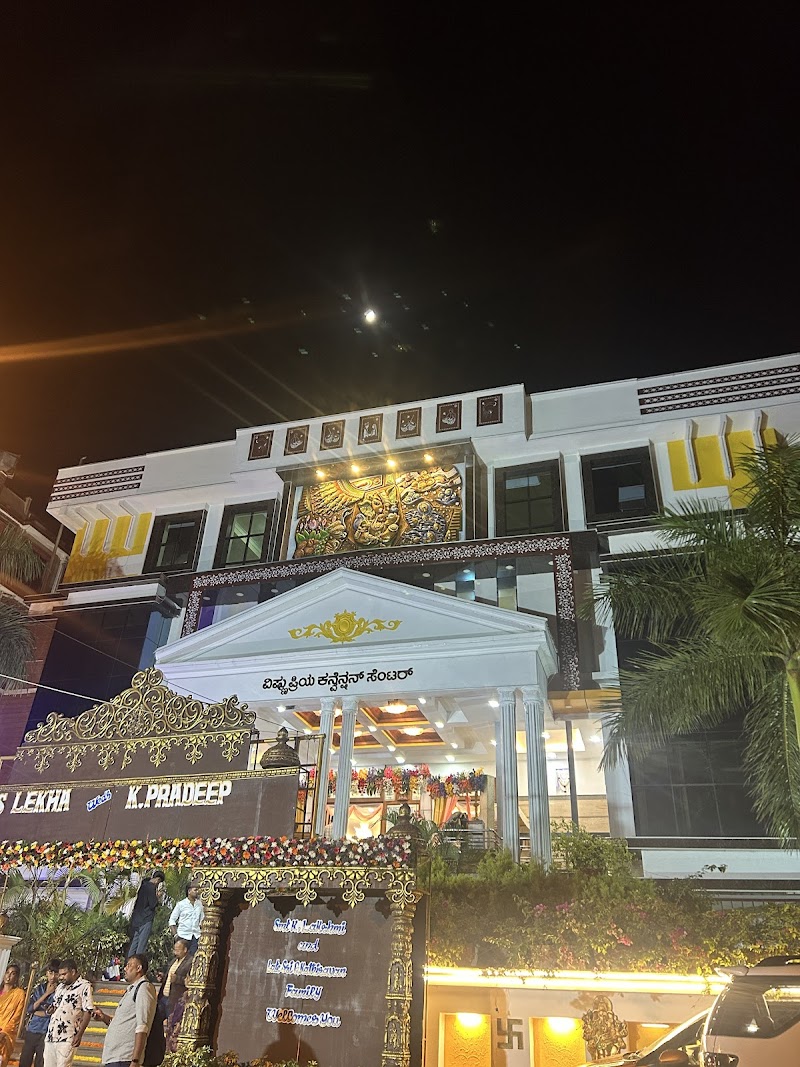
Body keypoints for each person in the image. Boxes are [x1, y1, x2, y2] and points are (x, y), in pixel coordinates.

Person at [93, 955, 156, 1067]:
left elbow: (142, 1026)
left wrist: (135, 1060)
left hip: (125, 1057)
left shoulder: (144, 988)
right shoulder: (131, 990)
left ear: (138, 968)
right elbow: (124, 1022)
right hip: (114, 1056)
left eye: (129, 965)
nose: (125, 969)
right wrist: (103, 1017)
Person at [44, 960, 93, 1067]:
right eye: (60, 974)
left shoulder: (84, 986)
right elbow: (55, 1007)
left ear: (73, 972)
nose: (61, 977)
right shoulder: (60, 987)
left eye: (64, 974)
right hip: (51, 1036)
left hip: (68, 1037)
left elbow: (88, 1010)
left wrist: (79, 1034)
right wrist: (50, 1009)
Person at [19, 959, 60, 1067]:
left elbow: (53, 1012)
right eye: (51, 973)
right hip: (33, 1028)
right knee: (25, 1060)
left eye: (56, 973)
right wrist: (47, 994)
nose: (53, 976)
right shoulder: (40, 988)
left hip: (47, 1031)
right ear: (47, 973)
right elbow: (30, 1009)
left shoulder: (61, 991)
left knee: (40, 1062)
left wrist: (41, 1012)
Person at [128, 871, 165, 958]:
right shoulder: (151, 887)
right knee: (141, 945)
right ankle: (138, 963)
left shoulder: (143, 885)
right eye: (159, 882)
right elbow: (152, 904)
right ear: (157, 880)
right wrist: (158, 897)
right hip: (146, 919)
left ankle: (129, 962)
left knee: (134, 944)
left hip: (137, 919)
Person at [0, 964, 26, 1067]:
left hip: (5, 1034)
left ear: (16, 978)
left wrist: (3, 1033)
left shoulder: (19, 994)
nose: (9, 976)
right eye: (7, 972)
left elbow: (16, 1017)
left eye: (13, 974)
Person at [159, 941, 192, 1020]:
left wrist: (177, 979)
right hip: (164, 997)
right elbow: (169, 977)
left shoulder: (190, 962)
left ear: (185, 950)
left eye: (178, 950)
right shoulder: (174, 961)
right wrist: (163, 977)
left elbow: (190, 981)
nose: (175, 952)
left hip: (175, 999)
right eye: (174, 950)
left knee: (171, 1022)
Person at [167, 884, 203, 954]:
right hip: (183, 935)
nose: (197, 892)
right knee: (181, 957)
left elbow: (202, 920)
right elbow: (172, 920)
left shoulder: (200, 904)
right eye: (195, 890)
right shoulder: (181, 904)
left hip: (196, 936)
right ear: (189, 891)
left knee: (192, 957)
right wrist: (175, 936)